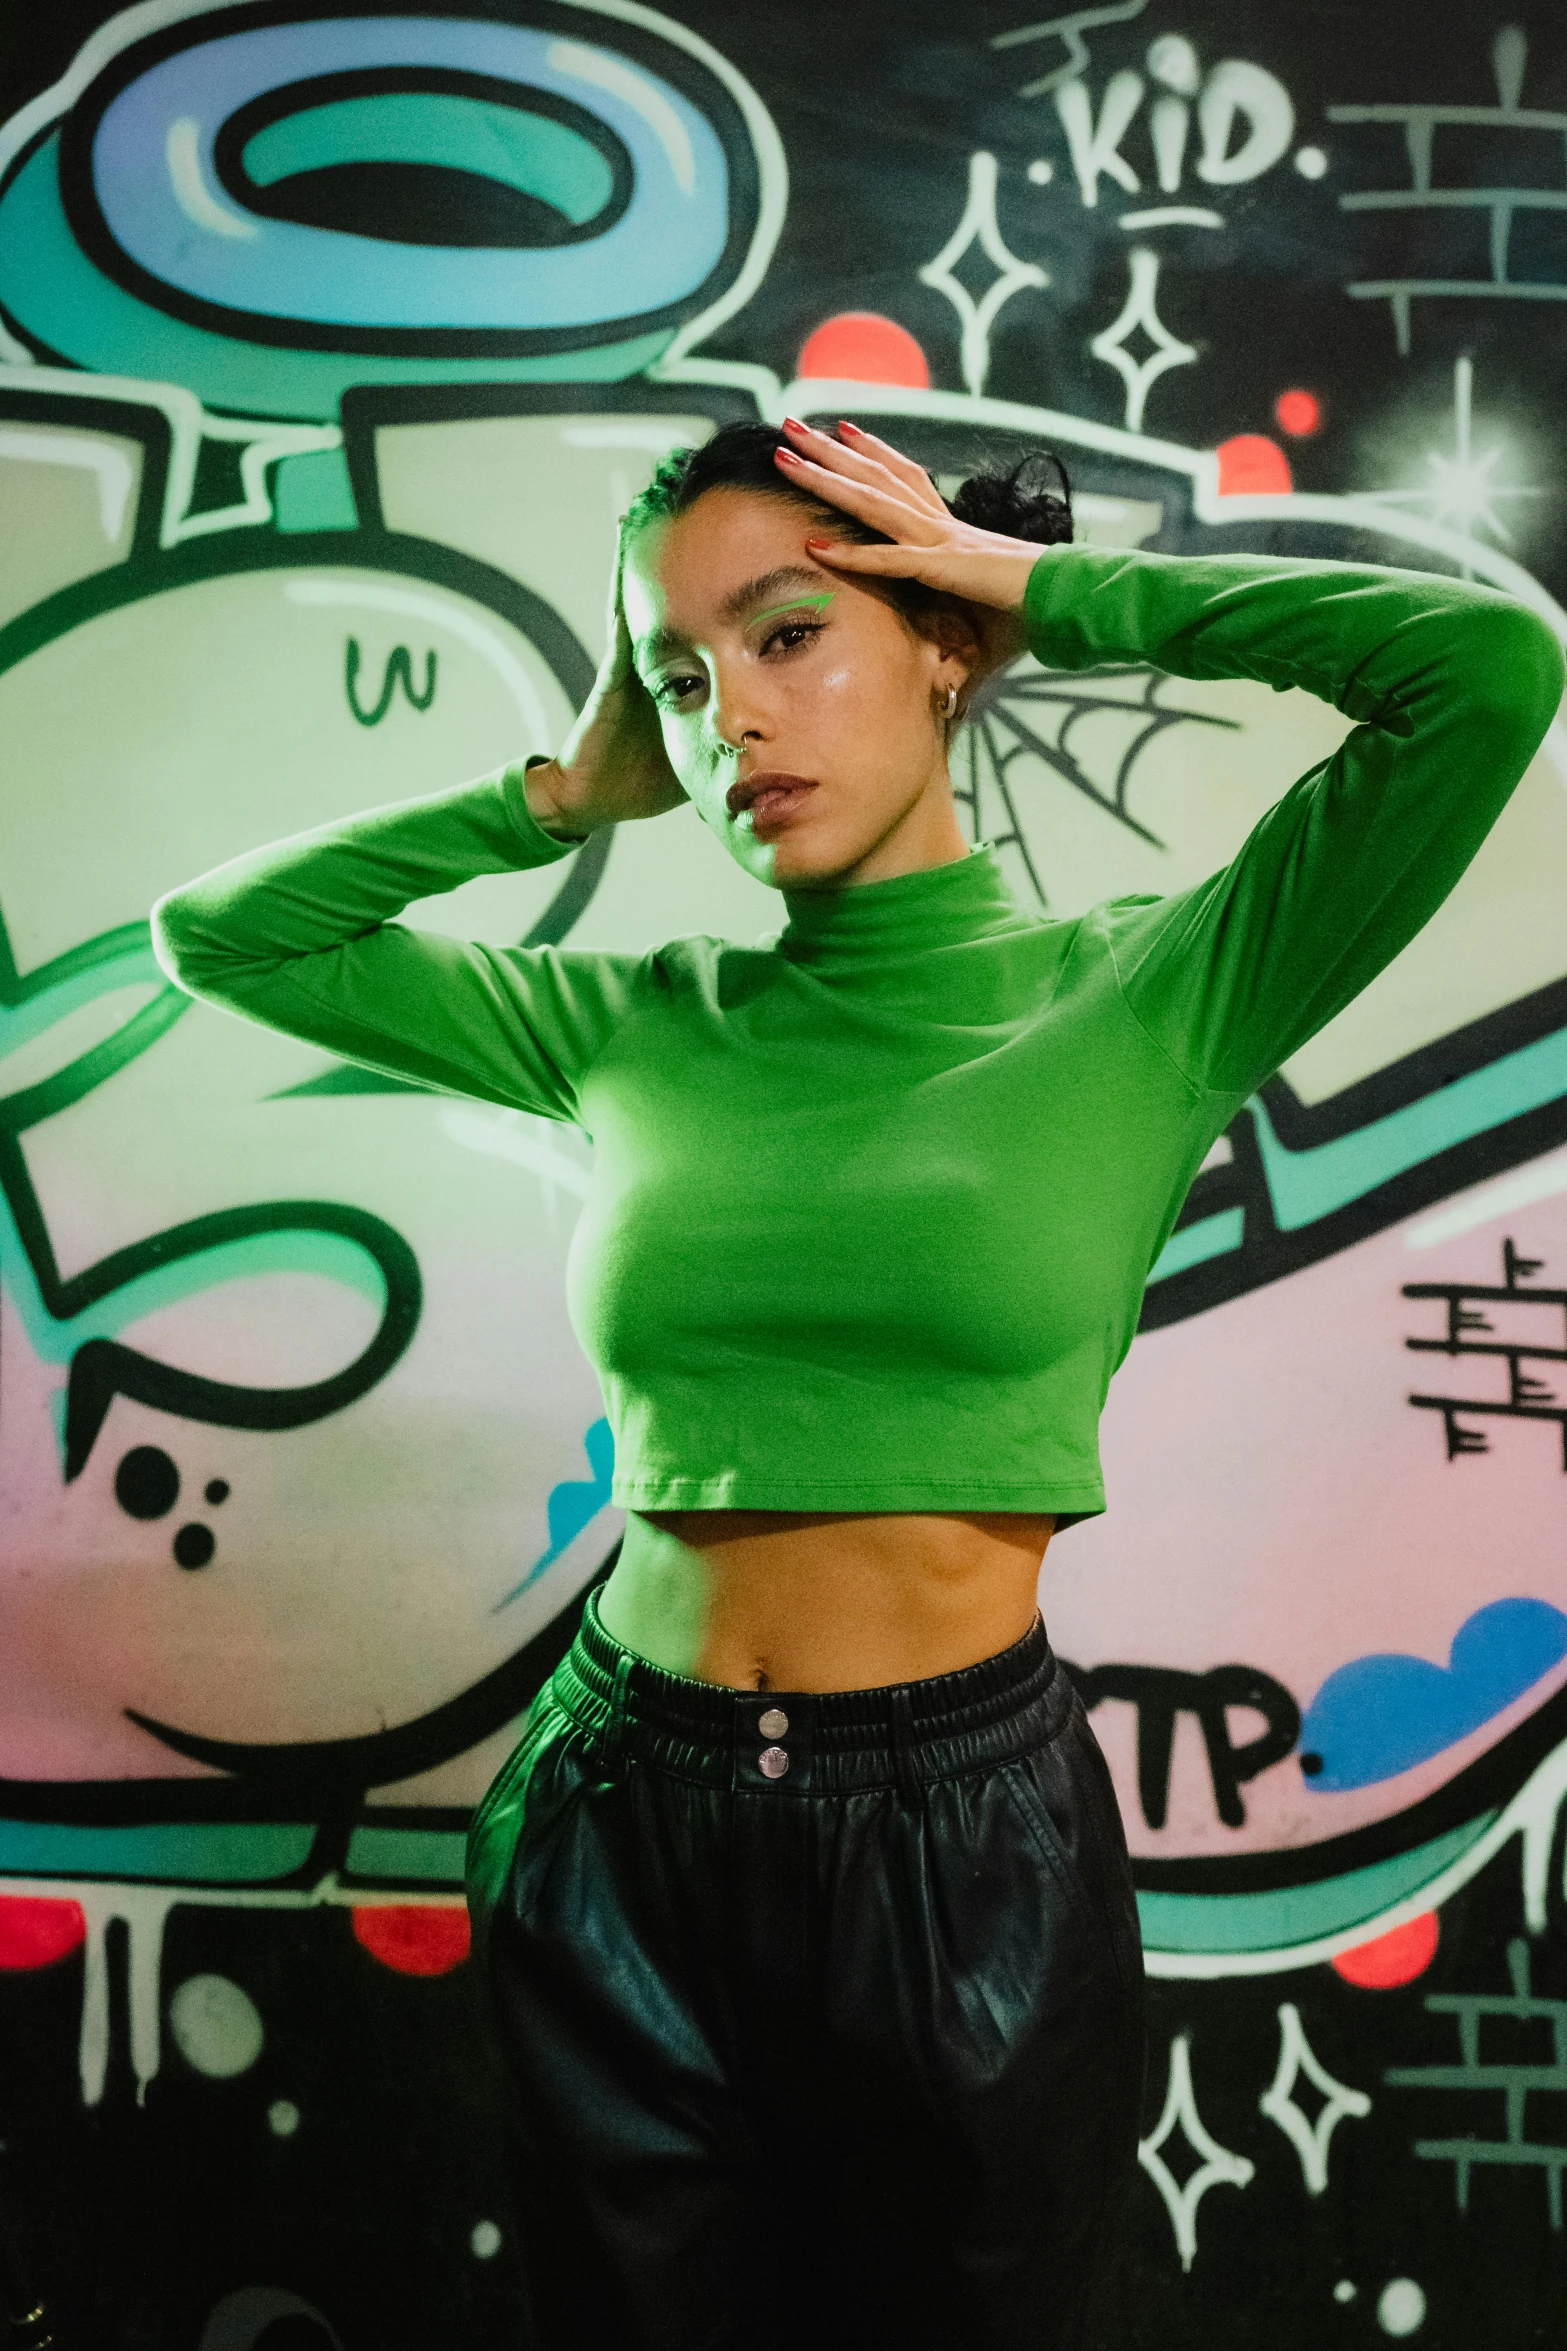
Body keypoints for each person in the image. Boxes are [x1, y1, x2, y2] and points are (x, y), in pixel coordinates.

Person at [151, 417, 1564, 2350]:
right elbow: (220, 938)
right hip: (608, 1816)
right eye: (678, 669)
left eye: (788, 631)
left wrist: (1040, 583)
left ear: (939, 642)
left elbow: (1484, 675)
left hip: (958, 1843)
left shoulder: (1155, 990)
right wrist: (560, 790)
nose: (730, 713)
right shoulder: (636, 1023)